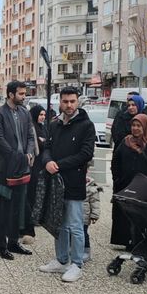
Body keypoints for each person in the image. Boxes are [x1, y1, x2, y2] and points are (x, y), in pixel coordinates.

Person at [38, 87, 96, 282]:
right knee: (59, 223)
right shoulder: (54, 125)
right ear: (60, 102)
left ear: (77, 101)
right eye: (65, 101)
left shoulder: (86, 125)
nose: (69, 105)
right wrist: (47, 161)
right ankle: (61, 259)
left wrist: (59, 165)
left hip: (74, 182)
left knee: (75, 225)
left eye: (72, 101)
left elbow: (85, 154)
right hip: (55, 183)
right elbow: (46, 147)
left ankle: (76, 263)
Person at [0, 81, 36, 260]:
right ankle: (1, 246)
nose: (24, 97)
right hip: (5, 169)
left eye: (24, 94)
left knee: (19, 206)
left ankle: (13, 242)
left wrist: (29, 153)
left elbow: (31, 137)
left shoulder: (25, 112)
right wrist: (18, 157)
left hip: (22, 167)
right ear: (10, 94)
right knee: (3, 206)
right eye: (21, 94)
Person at [110, 114, 147, 248]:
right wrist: (117, 177)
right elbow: (116, 160)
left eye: (138, 125)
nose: (135, 128)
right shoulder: (126, 141)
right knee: (125, 214)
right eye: (133, 125)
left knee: (142, 214)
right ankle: (126, 241)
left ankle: (143, 242)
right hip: (126, 184)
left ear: (145, 126)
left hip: (146, 186)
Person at [20, 105, 48, 245]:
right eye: (40, 114)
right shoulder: (32, 128)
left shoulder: (43, 127)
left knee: (35, 194)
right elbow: (39, 145)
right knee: (29, 195)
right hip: (32, 166)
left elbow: (47, 143)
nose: (43, 117)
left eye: (44, 114)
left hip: (41, 166)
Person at [83, 164, 102, 263]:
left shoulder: (91, 186)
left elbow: (95, 202)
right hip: (74, 215)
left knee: (84, 233)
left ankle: (86, 251)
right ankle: (71, 248)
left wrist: (94, 215)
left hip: (85, 216)